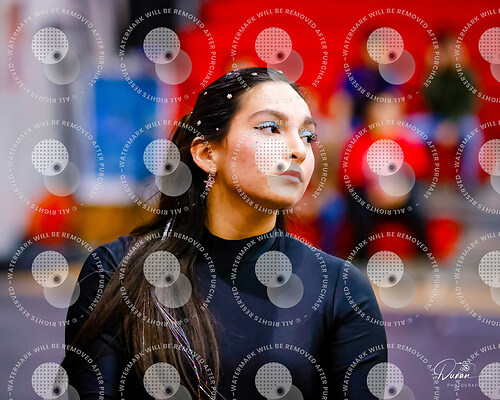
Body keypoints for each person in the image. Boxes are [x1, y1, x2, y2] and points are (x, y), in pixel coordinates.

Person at [63, 67, 387, 399]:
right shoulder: (116, 270)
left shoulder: (341, 289)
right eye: (271, 128)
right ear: (207, 154)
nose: (300, 151)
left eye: (307, 135)